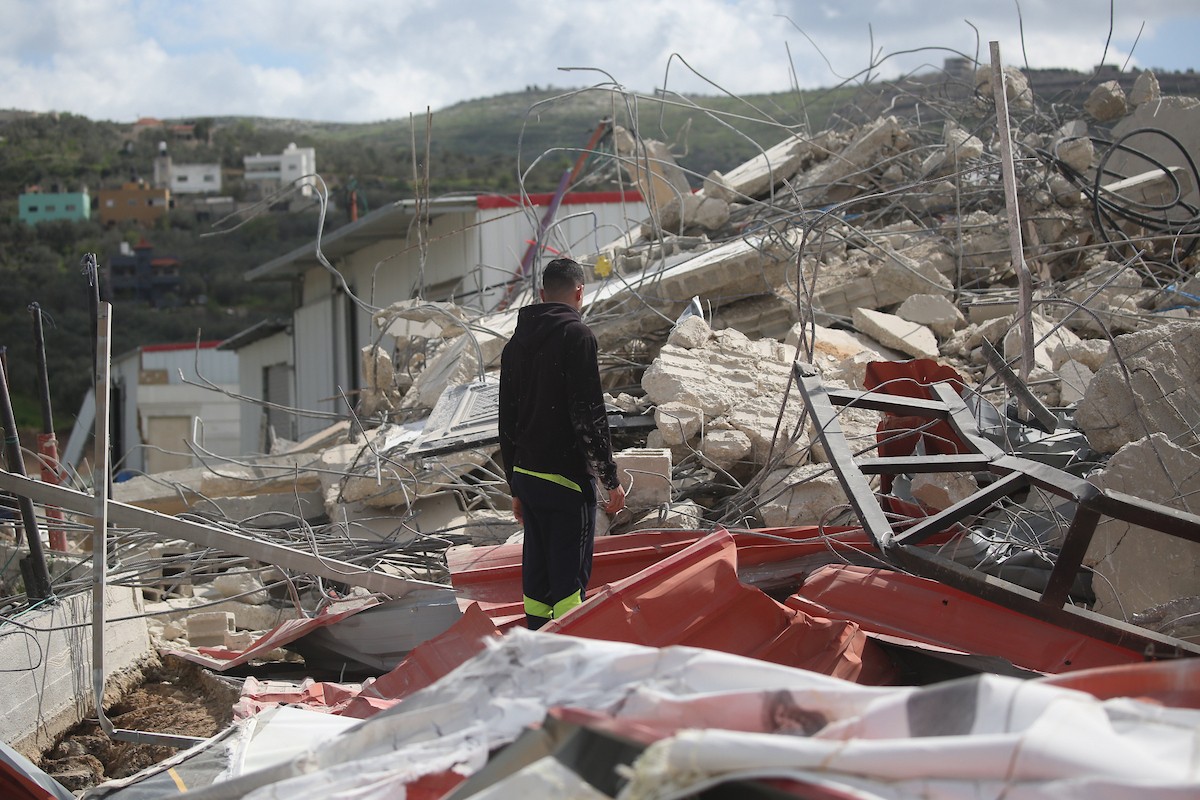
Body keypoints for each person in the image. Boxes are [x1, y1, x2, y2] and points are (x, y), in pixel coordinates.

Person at [498, 257, 626, 630]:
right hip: (566, 481)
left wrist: (515, 485)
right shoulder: (577, 336)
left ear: (542, 294)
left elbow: (506, 421)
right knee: (570, 586)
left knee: (537, 583)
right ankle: (570, 650)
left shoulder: (514, 345)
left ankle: (539, 647)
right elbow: (588, 414)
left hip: (528, 477)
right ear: (579, 292)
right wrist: (609, 477)